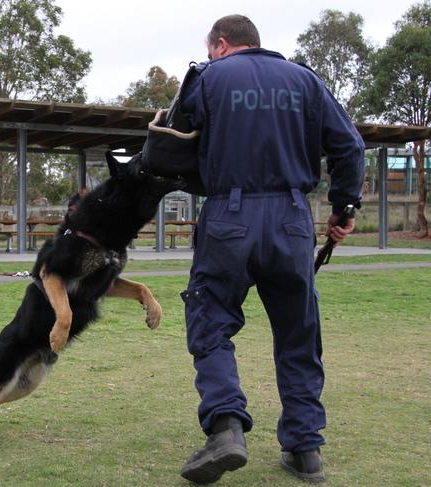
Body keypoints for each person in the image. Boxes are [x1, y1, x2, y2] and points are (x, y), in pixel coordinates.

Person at [178, 15, 364, 484]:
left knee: (211, 319)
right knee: (298, 331)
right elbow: (349, 146)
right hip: (291, 216)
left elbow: (172, 149)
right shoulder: (305, 80)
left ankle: (226, 426)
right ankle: (305, 449)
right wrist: (343, 209)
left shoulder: (206, 77)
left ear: (221, 44)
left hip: (228, 215)